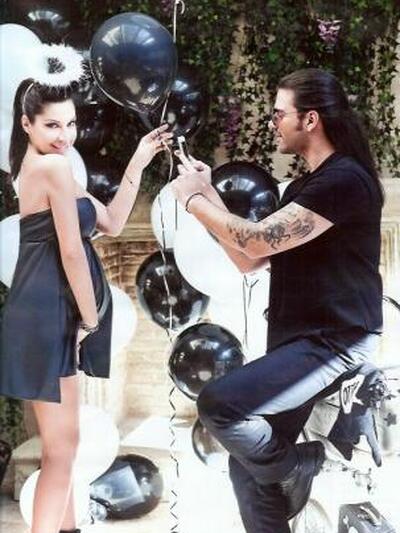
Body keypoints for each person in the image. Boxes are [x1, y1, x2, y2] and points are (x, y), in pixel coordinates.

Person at [171, 68, 383, 533]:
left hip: (337, 340)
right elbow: (250, 258)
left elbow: (257, 239)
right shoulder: (307, 186)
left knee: (219, 405)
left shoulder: (345, 180)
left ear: (310, 119)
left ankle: (297, 466)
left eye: (278, 114)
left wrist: (191, 203)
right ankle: (289, 468)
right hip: (302, 341)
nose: (272, 124)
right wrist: (207, 192)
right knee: (246, 470)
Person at [0, 45, 172, 533]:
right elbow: (73, 253)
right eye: (53, 125)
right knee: (61, 451)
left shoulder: (50, 167)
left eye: (71, 124)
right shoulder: (52, 169)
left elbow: (112, 222)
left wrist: (138, 161)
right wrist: (91, 319)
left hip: (45, 309)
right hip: (49, 311)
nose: (65, 135)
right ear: (27, 124)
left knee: (64, 448)